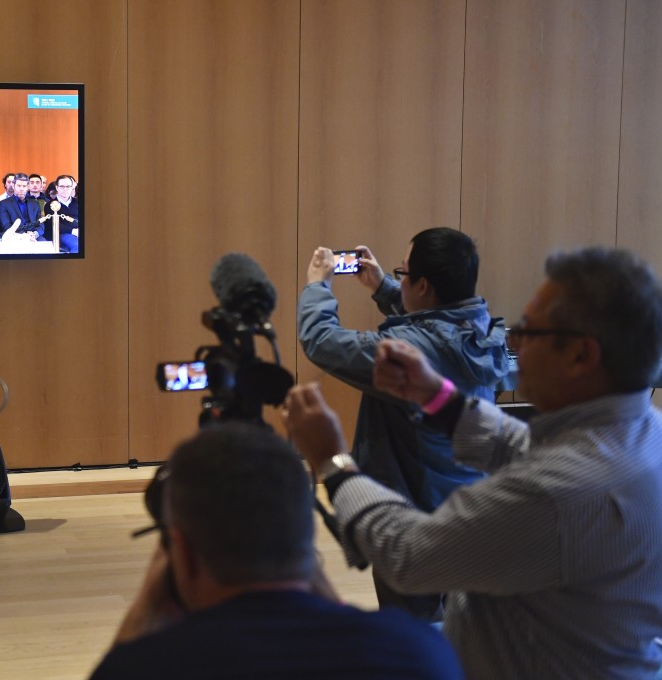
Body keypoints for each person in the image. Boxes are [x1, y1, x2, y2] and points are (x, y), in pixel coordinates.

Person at [283, 246, 662, 680]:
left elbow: (408, 555)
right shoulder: (644, 431)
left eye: (527, 330)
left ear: (581, 356)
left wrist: (332, 461)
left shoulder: (552, 495)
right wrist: (437, 398)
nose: (512, 343)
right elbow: (522, 445)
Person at [89, 423, 464, 680]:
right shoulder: (417, 653)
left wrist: (148, 602)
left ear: (181, 553)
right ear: (306, 538)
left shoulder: (141, 668)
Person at [297, 227, 509, 620]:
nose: (401, 278)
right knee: (459, 625)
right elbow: (436, 327)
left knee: (413, 625)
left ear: (425, 285)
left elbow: (321, 340)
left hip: (411, 519)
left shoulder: (403, 357)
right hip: (470, 507)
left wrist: (317, 286)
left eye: (405, 273)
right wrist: (385, 288)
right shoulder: (483, 333)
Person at [0, 173, 43, 241]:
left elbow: (41, 224)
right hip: (13, 236)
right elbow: (6, 226)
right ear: (14, 186)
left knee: (45, 245)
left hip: (33, 236)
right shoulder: (3, 204)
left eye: (24, 186)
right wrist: (24, 236)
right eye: (19, 186)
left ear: (28, 187)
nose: (21, 189)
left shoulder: (35, 203)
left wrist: (35, 234)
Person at [48, 174, 80, 253]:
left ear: (72, 187)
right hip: (63, 234)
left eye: (68, 186)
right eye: (62, 186)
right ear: (57, 187)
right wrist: (73, 231)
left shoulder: (78, 203)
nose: (65, 189)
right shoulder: (51, 205)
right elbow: (52, 224)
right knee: (78, 246)